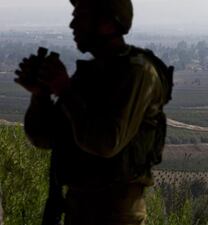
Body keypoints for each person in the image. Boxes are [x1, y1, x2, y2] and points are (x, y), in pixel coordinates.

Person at [14, 0, 173, 224]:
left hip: (117, 216)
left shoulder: (138, 73)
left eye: (81, 16)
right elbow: (46, 138)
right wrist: (40, 96)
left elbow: (106, 142)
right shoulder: (90, 75)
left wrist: (64, 90)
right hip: (77, 210)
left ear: (107, 23)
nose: (72, 24)